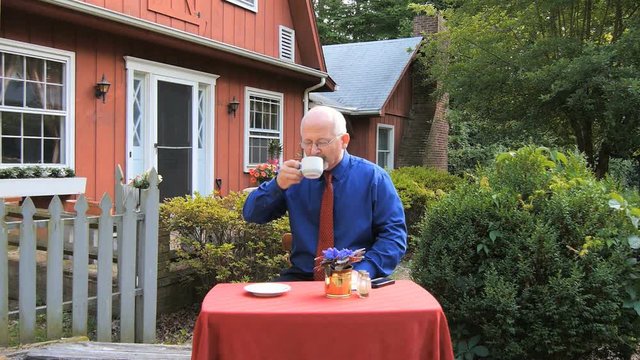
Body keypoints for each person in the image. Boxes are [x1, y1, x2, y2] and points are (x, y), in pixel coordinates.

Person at [242, 105, 407, 281]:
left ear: (344, 141)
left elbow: (394, 236)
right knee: (257, 305)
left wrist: (364, 271)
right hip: (303, 276)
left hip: (356, 275)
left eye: (322, 142)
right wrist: (277, 185)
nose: (313, 151)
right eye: (307, 142)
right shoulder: (294, 177)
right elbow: (251, 214)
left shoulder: (373, 178)